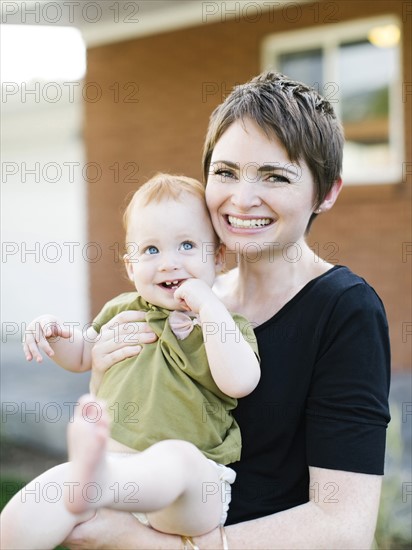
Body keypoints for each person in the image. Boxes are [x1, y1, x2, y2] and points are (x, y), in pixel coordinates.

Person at [60, 71, 391, 550]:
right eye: (226, 172)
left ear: (327, 192)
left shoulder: (344, 310)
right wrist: (101, 375)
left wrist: (155, 546)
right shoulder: (182, 293)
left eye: (275, 176)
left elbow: (343, 527)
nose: (242, 198)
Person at [1, 174, 260, 550]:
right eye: (151, 250)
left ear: (218, 257)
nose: (168, 264)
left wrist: (209, 307)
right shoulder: (121, 311)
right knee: (52, 489)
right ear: (130, 266)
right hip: (118, 478)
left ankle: (97, 480)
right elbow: (83, 355)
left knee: (177, 457)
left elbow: (241, 381)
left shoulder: (224, 325)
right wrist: (56, 334)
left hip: (193, 489)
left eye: (186, 245)